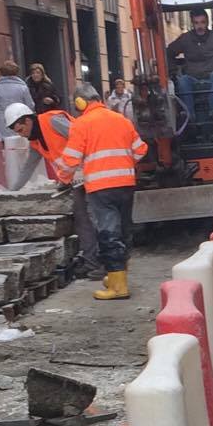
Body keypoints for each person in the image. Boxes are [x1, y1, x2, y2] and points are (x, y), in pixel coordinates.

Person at [50, 81, 146, 302]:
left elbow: (71, 159)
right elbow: (141, 150)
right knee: (124, 231)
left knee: (109, 234)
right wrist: (124, 165)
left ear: (80, 102)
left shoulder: (81, 124)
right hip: (126, 184)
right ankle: (116, 277)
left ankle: (119, 287)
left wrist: (63, 179)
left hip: (101, 188)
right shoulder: (120, 120)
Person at [4, 99, 100, 275]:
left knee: (95, 217)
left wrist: (83, 167)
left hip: (94, 172)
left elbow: (82, 136)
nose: (21, 135)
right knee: (82, 219)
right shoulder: (36, 142)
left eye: (21, 130)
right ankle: (92, 262)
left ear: (28, 120)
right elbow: (28, 167)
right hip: (76, 180)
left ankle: (106, 261)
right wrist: (11, 192)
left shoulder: (52, 121)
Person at [165, 7, 213, 121]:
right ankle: (189, 115)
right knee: (183, 80)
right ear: (192, 24)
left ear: (207, 22)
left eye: (202, 22)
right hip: (192, 78)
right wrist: (173, 72)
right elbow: (168, 53)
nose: (200, 26)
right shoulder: (185, 39)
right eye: (196, 23)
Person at [0, 60, 31, 129]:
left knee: (3, 136)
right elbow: (30, 105)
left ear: (1, 73)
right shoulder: (23, 88)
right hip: (20, 119)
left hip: (2, 120)